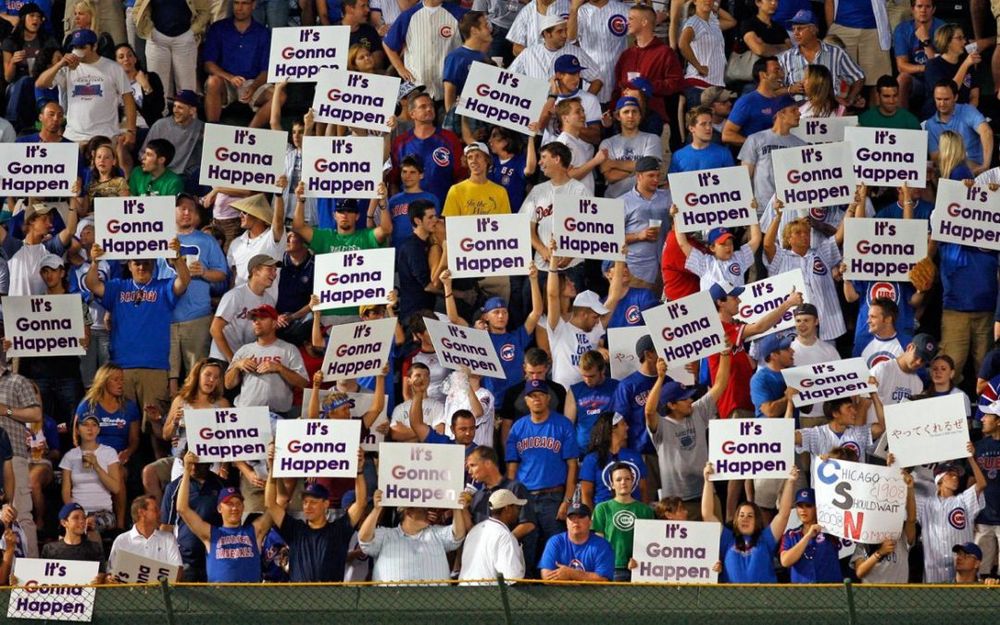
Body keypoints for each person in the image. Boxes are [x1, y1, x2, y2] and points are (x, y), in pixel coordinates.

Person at [86, 239, 190, 423]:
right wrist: (94, 262)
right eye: (137, 263)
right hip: (121, 367)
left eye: (146, 263)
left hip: (155, 367)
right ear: (130, 266)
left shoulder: (163, 287)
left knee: (154, 423)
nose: (142, 267)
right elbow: (92, 284)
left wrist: (177, 259)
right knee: (124, 424)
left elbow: (183, 281)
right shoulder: (118, 287)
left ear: (154, 265)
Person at [505, 379, 579, 573]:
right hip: (525, 497)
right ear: (526, 400)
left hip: (553, 496)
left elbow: (572, 466)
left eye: (540, 395)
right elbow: (512, 469)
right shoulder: (518, 428)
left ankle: (557, 598)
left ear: (548, 398)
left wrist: (567, 500)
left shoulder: (562, 425)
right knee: (527, 551)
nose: (536, 399)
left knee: (554, 551)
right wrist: (511, 501)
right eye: (532, 396)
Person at [647, 349, 730, 520]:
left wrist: (725, 354)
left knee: (717, 542)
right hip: (677, 503)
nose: (690, 400)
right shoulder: (661, 426)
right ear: (671, 405)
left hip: (707, 493)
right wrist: (660, 378)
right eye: (685, 399)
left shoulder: (697, 411)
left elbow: (720, 384)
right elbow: (649, 411)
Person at [265, 448, 368, 582]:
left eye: (313, 502)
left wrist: (359, 471)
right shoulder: (295, 529)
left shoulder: (339, 529)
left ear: (326, 504)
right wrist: (273, 470)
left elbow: (360, 504)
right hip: (299, 598)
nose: (307, 506)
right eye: (305, 502)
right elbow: (270, 504)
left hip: (331, 598)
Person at [177, 451, 273, 583]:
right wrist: (187, 471)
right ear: (219, 508)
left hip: (252, 597)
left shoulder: (255, 531)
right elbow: (182, 509)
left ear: (243, 507)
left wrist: (272, 467)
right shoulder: (210, 534)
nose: (234, 508)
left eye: (238, 503)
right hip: (220, 598)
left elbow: (274, 506)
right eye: (229, 503)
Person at [35, 28, 137, 144]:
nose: (77, 51)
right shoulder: (67, 68)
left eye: (82, 47)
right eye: (75, 47)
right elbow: (40, 83)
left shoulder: (113, 68)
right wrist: (60, 64)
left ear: (94, 47)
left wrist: (131, 130)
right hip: (73, 136)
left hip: (106, 135)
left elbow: (128, 100)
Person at [702, 463, 799, 582]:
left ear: (757, 520)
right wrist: (707, 481)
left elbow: (783, 514)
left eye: (750, 516)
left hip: (764, 597)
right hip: (731, 597)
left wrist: (790, 482)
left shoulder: (766, 538)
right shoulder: (727, 538)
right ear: (736, 520)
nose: (745, 519)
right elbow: (707, 514)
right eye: (741, 515)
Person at [359, 488, 471, 582]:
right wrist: (377, 509)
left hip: (435, 603)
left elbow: (457, 535)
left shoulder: (436, 533)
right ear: (408, 512)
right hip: (392, 603)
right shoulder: (387, 535)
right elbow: (364, 538)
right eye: (423, 510)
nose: (429, 513)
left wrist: (456, 507)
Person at [224, 304, 309, 417]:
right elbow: (228, 384)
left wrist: (279, 368)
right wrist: (237, 365)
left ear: (274, 323)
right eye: (254, 319)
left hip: (279, 414)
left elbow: (304, 383)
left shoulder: (289, 349)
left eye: (262, 318)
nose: (257, 322)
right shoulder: (244, 350)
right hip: (246, 413)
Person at [202, 0, 274, 127]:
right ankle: (212, 130)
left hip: (252, 81)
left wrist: (253, 87)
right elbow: (208, 64)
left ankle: (249, 132)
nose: (239, 8)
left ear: (253, 5)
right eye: (236, 3)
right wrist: (230, 77)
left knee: (279, 96)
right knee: (213, 81)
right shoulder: (218, 28)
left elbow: (266, 70)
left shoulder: (263, 33)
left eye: (245, 3)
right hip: (226, 80)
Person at [918, 450, 987, 582]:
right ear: (939, 480)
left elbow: (982, 484)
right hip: (934, 571)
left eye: (957, 475)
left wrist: (971, 459)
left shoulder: (963, 500)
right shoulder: (925, 504)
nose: (955, 478)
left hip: (961, 569)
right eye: (950, 475)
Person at [612, 4, 683, 129]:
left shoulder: (665, 52)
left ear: (644, 22)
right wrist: (612, 110)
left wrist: (648, 87)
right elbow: (618, 87)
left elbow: (676, 83)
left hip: (651, 116)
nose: (627, 22)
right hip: (623, 117)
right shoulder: (626, 55)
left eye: (631, 19)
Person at [382, 0, 462, 102]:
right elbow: (388, 44)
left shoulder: (459, 13)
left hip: (449, 89)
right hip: (418, 87)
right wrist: (399, 68)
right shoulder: (408, 15)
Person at [738, 96, 805, 212]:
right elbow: (744, 176)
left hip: (790, 210)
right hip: (761, 209)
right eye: (793, 110)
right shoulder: (755, 139)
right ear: (780, 114)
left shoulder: (801, 145)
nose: (799, 113)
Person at [852, 465, 917, 583]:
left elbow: (911, 519)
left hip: (898, 596)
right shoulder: (865, 539)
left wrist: (910, 489)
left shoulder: (900, 535)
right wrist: (880, 552)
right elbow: (859, 572)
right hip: (872, 598)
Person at [60, 413, 121, 537]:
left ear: (98, 430)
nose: (90, 428)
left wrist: (97, 466)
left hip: (103, 512)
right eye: (85, 425)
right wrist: (73, 512)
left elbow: (116, 488)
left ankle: (94, 556)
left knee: (91, 525)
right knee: (72, 525)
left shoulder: (109, 452)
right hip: (78, 510)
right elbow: (66, 491)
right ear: (78, 429)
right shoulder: (70, 456)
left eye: (94, 425)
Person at [591, 461, 654, 581]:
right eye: (618, 479)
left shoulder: (645, 510)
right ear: (612, 484)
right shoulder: (602, 508)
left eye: (627, 479)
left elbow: (651, 542)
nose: (623, 482)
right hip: (611, 568)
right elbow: (598, 542)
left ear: (632, 481)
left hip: (640, 568)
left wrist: (641, 559)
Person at [923, 79, 994, 175]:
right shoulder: (930, 124)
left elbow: (986, 132)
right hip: (948, 171)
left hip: (975, 169)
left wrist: (985, 166)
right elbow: (935, 157)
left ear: (955, 97)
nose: (942, 103)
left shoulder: (967, 110)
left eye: (946, 99)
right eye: (938, 99)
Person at [107, 495, 183, 582]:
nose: (160, 513)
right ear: (142, 513)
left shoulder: (168, 539)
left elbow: (178, 570)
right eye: (155, 510)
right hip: (129, 593)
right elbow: (111, 573)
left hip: (160, 593)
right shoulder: (121, 541)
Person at [459, 488, 528, 584]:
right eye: (517, 508)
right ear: (507, 508)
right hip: (486, 595)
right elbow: (513, 578)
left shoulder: (475, 530)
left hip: (463, 593)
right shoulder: (504, 536)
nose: (518, 512)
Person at [580, 412, 646, 509]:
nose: (627, 427)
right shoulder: (592, 459)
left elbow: (643, 489)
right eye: (623, 424)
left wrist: (645, 515)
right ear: (612, 429)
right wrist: (592, 519)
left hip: (634, 513)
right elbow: (586, 493)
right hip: (605, 515)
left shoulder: (635, 456)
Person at [598, 96, 660, 198]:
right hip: (614, 200)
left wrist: (613, 164)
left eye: (634, 112)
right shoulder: (607, 144)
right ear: (618, 116)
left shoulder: (652, 139)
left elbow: (650, 168)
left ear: (640, 115)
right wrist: (639, 171)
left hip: (644, 201)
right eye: (626, 112)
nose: (630, 116)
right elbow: (610, 176)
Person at [142, 90, 204, 189]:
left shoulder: (200, 127)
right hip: (162, 174)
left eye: (180, 107)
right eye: (174, 106)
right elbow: (143, 154)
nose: (175, 110)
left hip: (186, 176)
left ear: (192, 111)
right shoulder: (160, 125)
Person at [538, 501, 614, 581]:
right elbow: (546, 576)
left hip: (592, 593)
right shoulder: (555, 542)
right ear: (566, 523)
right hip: (560, 592)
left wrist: (571, 574)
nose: (576, 521)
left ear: (590, 523)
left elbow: (603, 579)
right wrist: (580, 579)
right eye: (571, 518)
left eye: (581, 517)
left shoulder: (601, 545)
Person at [778, 488, 842, 582]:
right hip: (802, 592)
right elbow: (785, 561)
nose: (803, 510)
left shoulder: (831, 531)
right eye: (800, 506)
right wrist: (807, 536)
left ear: (817, 508)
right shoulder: (790, 534)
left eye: (808, 505)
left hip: (830, 591)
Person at [722, 56, 787, 146]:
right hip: (758, 157)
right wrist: (757, 145)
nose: (782, 74)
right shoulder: (747, 102)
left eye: (782, 71)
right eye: (776, 71)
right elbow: (727, 135)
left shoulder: (787, 100)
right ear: (763, 75)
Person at [892, 0, 944, 108]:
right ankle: (903, 121)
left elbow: (941, 65)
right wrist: (925, 68)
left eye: (927, 6)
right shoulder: (902, 29)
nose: (923, 10)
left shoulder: (942, 28)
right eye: (919, 6)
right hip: (916, 81)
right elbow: (902, 66)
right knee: (902, 78)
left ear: (933, 9)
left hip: (939, 80)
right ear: (912, 9)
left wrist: (926, 41)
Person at [565, 351, 618, 455]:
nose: (587, 380)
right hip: (583, 452)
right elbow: (568, 425)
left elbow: (622, 420)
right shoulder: (574, 390)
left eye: (591, 376)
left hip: (610, 450)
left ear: (602, 370)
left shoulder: (616, 387)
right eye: (584, 376)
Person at [923, 23, 981, 119]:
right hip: (938, 116)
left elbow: (974, 95)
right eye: (959, 38)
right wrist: (965, 65)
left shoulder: (967, 63)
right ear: (947, 41)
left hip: (963, 114)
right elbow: (948, 92)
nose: (964, 42)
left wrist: (968, 115)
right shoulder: (933, 65)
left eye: (964, 38)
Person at [38, 503, 105, 581]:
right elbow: (43, 576)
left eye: (84, 518)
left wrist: (101, 578)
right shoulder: (50, 549)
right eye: (76, 518)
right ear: (64, 522)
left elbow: (102, 572)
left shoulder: (94, 548)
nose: (82, 521)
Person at [975, 401, 1000, 577]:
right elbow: (971, 481)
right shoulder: (979, 446)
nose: (982, 419)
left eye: (987, 415)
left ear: (998, 421)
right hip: (983, 518)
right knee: (980, 574)